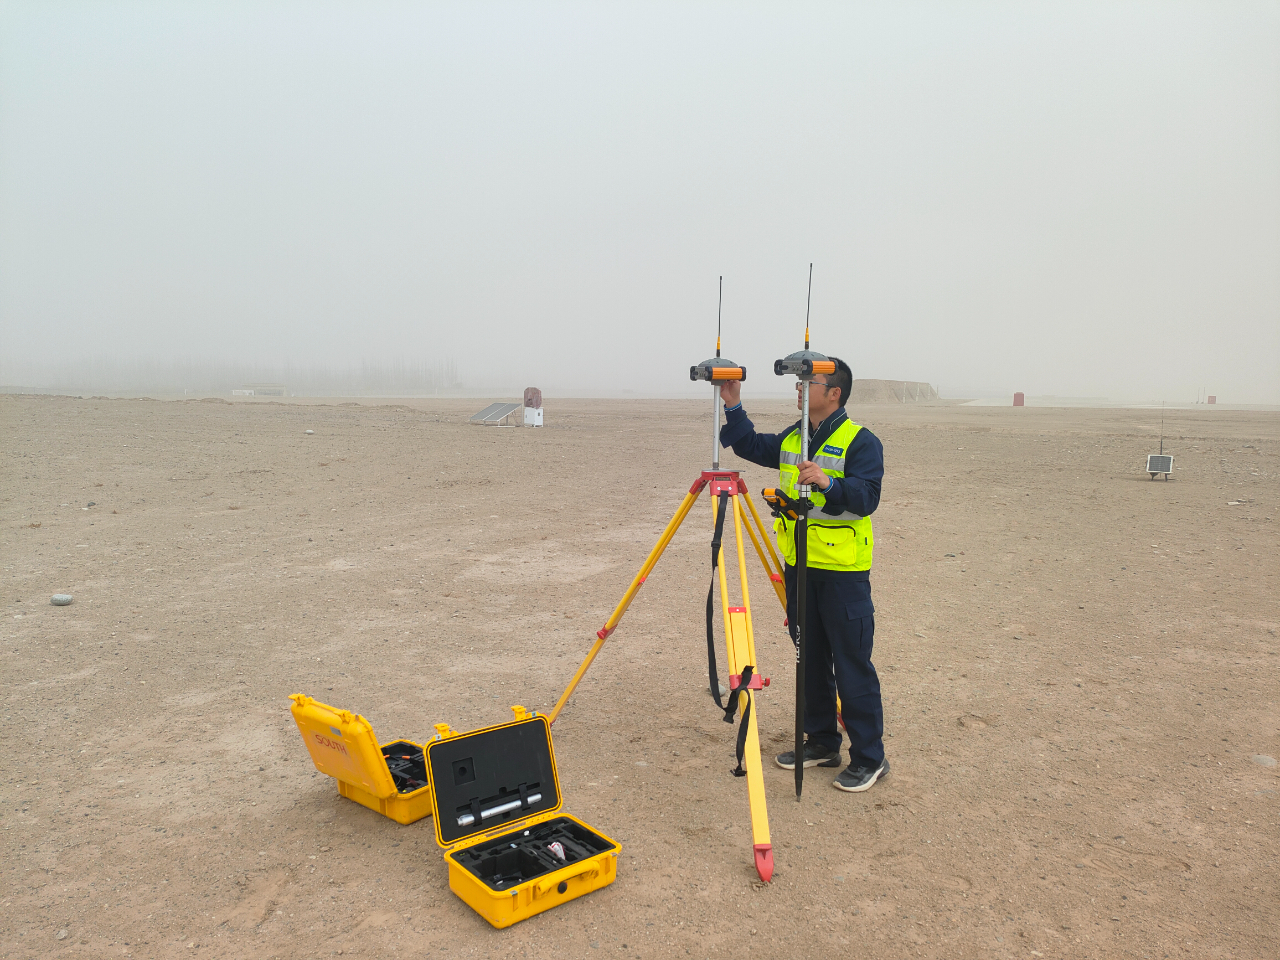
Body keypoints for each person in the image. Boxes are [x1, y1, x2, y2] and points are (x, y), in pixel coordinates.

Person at [717, 359, 888, 792]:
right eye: (799, 381)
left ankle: (870, 758)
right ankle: (822, 741)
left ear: (835, 392)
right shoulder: (798, 436)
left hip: (843, 573)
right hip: (800, 568)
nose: (800, 387)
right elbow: (749, 445)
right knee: (809, 660)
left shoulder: (861, 441)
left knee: (852, 666)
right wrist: (733, 406)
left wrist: (829, 483)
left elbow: (867, 497)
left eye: (810, 381)